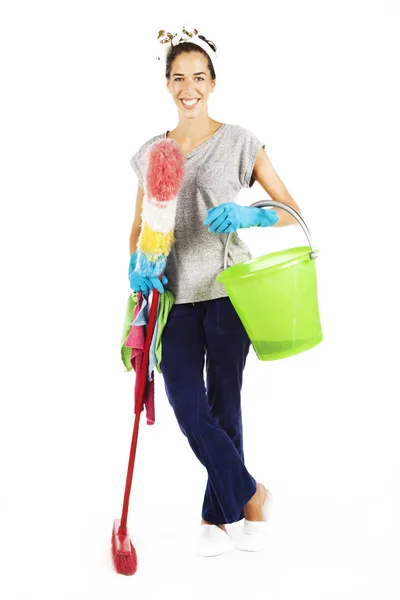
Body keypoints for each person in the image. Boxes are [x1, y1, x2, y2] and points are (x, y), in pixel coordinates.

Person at [128, 27, 302, 556]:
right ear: (167, 85)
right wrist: (137, 265)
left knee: (225, 403)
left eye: (198, 77)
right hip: (175, 298)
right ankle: (252, 495)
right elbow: (137, 228)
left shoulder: (240, 141)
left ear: (213, 83)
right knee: (187, 405)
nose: (189, 88)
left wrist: (251, 212)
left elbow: (291, 212)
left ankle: (215, 515)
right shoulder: (152, 153)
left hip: (230, 292)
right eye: (178, 78)